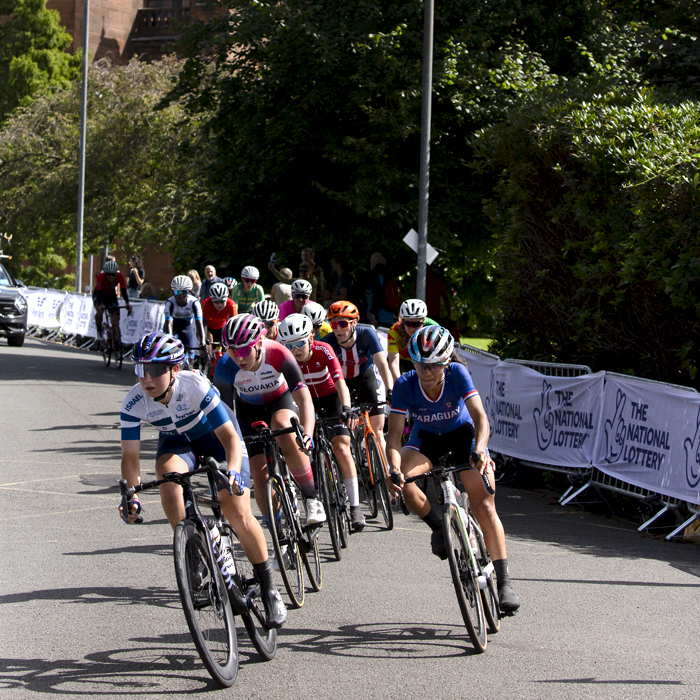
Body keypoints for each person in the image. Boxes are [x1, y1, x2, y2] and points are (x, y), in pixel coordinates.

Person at [119, 332, 286, 628]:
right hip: (177, 443)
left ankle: (269, 587)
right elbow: (131, 458)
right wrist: (131, 495)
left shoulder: (194, 385)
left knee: (235, 509)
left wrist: (233, 472)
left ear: (174, 369)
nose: (147, 378)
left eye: (155, 370)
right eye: (140, 369)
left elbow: (231, 438)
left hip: (218, 440)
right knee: (167, 480)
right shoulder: (134, 401)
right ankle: (192, 549)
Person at [385, 325, 520, 614]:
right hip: (426, 440)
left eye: (434, 365)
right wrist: (394, 469)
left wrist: (480, 451)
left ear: (446, 362)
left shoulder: (458, 374)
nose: (426, 371)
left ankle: (504, 582)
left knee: (484, 505)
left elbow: (481, 419)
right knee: (407, 482)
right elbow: (394, 437)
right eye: (421, 363)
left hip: (462, 437)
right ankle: (438, 527)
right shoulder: (405, 384)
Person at [213, 314, 326, 542]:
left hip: (280, 400)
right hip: (249, 409)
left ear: (259, 343)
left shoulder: (278, 352)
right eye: (231, 350)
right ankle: (278, 534)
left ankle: (311, 498)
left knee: (284, 427)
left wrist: (307, 434)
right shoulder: (225, 366)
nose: (238, 357)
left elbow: (304, 399)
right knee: (258, 473)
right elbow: (226, 416)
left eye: (244, 350)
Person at [278, 314, 367, 531]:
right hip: (304, 403)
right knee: (303, 450)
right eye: (289, 346)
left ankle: (355, 506)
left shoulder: (323, 350)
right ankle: (314, 498)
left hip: (331, 399)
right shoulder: (286, 361)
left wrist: (346, 408)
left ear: (311, 337)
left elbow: (340, 382)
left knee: (341, 447)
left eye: (300, 343)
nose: (296, 350)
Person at [323, 301, 393, 456]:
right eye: (334, 325)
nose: (338, 329)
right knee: (341, 435)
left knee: (378, 430)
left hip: (364, 379)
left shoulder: (367, 334)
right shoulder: (327, 342)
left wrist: (389, 389)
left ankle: (387, 473)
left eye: (342, 324)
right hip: (340, 384)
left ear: (354, 323)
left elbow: (382, 364)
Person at [387, 299, 438, 382]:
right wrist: (399, 384)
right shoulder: (394, 331)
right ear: (402, 321)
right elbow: (394, 363)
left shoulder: (433, 327)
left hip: (424, 361)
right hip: (402, 362)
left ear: (424, 320)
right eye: (408, 324)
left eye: (417, 324)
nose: (412, 328)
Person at [163, 275, 206, 368]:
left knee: (191, 353)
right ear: (173, 292)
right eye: (178, 292)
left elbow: (199, 323)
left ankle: (189, 370)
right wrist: (169, 340)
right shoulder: (169, 303)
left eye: (184, 292)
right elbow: (168, 324)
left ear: (189, 292)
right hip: (173, 326)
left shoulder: (194, 302)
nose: (181, 295)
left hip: (186, 327)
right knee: (170, 349)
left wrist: (202, 341)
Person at [92, 259, 132, 343]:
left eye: (113, 274)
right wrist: (100, 304)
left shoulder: (119, 276)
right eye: (108, 274)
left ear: (116, 273)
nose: (110, 277)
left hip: (111, 295)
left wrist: (127, 303)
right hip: (99, 294)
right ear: (105, 273)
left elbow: (123, 290)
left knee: (116, 320)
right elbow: (98, 292)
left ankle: (116, 341)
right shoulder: (101, 276)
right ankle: (99, 331)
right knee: (100, 311)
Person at [367, 252, 398, 328]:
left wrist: (372, 313)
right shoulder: (388, 275)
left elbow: (377, 294)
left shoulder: (375, 275)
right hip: (389, 316)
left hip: (379, 316)